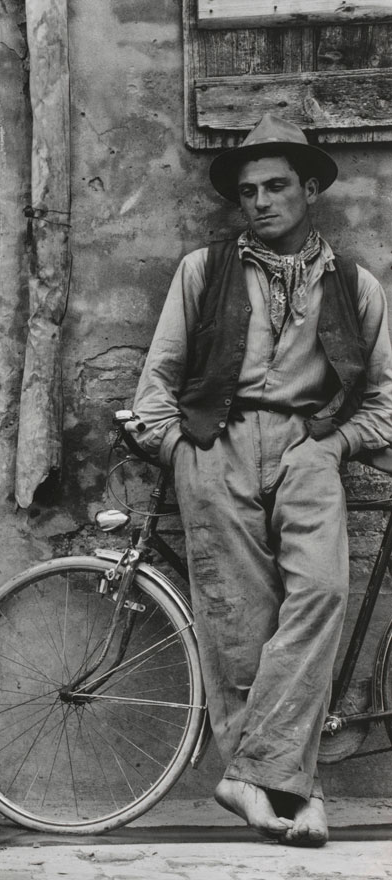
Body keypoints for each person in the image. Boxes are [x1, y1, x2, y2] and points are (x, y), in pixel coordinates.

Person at [131, 113, 392, 845]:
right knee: (240, 615)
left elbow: (386, 401)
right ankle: (292, 793)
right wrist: (181, 450)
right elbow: (157, 385)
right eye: (248, 191)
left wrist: (337, 445)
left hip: (312, 445)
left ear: (310, 190)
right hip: (218, 442)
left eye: (277, 186)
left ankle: (255, 776)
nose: (261, 201)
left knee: (321, 592)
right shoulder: (203, 272)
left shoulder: (355, 285)